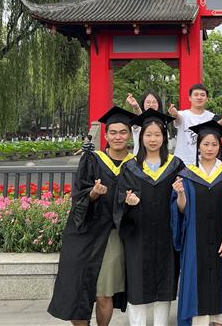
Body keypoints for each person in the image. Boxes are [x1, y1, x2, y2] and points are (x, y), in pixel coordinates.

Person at [48, 106, 136, 326]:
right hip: (85, 231)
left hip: (113, 234)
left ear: (129, 135)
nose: (118, 137)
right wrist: (93, 194)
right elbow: (79, 194)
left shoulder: (135, 165)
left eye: (123, 132)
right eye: (113, 132)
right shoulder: (92, 160)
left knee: (104, 292)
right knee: (76, 288)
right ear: (106, 136)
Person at [116, 109, 186, 326]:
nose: (153, 139)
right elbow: (119, 199)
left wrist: (181, 193)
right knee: (137, 284)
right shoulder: (130, 167)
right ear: (141, 137)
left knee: (164, 284)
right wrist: (127, 202)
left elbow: (183, 204)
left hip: (166, 234)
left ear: (164, 137)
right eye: (148, 135)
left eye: (157, 134)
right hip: (138, 235)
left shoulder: (176, 165)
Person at [171, 120, 222, 326]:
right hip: (195, 241)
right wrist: (180, 194)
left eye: (214, 144)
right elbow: (182, 210)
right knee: (196, 291)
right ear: (198, 146)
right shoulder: (187, 174)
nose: (210, 148)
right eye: (206, 144)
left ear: (219, 146)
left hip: (221, 240)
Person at [170, 84, 214, 165]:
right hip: (182, 162)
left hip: (203, 163)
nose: (199, 97)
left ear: (207, 98)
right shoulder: (182, 114)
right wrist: (175, 114)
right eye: (196, 95)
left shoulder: (211, 117)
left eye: (202, 95)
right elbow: (178, 120)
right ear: (190, 98)